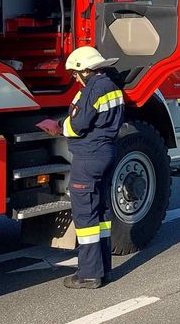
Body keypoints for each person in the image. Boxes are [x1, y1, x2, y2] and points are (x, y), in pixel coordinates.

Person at [41, 46, 125, 287]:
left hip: (89, 157)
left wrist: (57, 126)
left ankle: (89, 274)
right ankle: (103, 268)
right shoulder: (112, 87)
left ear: (85, 71)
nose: (75, 79)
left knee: (85, 215)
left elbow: (78, 125)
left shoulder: (92, 90)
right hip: (107, 152)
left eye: (75, 74)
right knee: (101, 213)